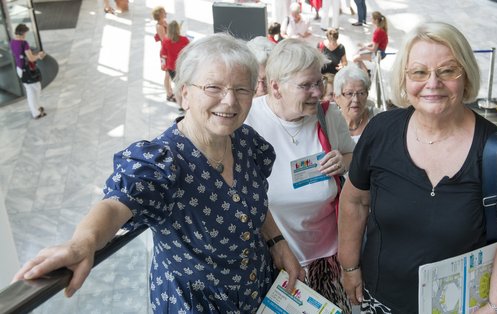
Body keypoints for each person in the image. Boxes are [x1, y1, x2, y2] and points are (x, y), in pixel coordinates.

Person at [12, 33, 301, 312]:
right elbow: (116, 205)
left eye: (241, 89)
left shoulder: (246, 142)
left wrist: (276, 241)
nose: (230, 101)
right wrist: (83, 242)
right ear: (185, 93)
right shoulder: (163, 161)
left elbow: (252, 203)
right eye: (213, 87)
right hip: (198, 303)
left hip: (258, 287)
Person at [338, 22, 497, 313]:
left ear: (466, 75)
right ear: (405, 79)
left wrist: (496, 307)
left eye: (448, 70)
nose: (433, 83)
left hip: (464, 308)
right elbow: (355, 201)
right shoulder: (381, 131)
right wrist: (350, 266)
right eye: (419, 72)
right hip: (381, 300)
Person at [245, 38, 354, 313]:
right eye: (306, 85)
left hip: (326, 262)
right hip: (271, 262)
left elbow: (353, 157)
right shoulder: (248, 121)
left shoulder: (329, 116)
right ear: (276, 87)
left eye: (320, 82)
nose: (318, 92)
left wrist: (342, 161)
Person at [10, 24, 47, 119]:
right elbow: (31, 58)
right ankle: (36, 111)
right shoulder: (24, 43)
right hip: (27, 70)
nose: (26, 35)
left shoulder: (12, 41)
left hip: (19, 69)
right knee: (36, 89)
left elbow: (23, 55)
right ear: (22, 33)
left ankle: (37, 109)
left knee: (30, 90)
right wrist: (39, 56)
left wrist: (32, 55)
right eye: (26, 33)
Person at [334, 63, 378, 142]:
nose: (356, 100)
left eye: (361, 93)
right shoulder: (332, 124)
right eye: (349, 94)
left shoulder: (378, 118)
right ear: (336, 97)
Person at [161, 20, 190, 109]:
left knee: (177, 86)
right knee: (185, 84)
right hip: (182, 66)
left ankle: (180, 105)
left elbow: (163, 54)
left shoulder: (166, 41)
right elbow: (189, 52)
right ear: (178, 29)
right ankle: (186, 102)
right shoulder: (184, 40)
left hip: (171, 68)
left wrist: (163, 65)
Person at [152, 6, 175, 102]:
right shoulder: (159, 26)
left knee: (169, 73)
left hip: (169, 50)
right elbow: (164, 39)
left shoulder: (164, 23)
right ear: (160, 15)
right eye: (164, 12)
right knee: (167, 73)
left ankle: (170, 91)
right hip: (165, 52)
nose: (166, 13)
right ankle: (169, 94)